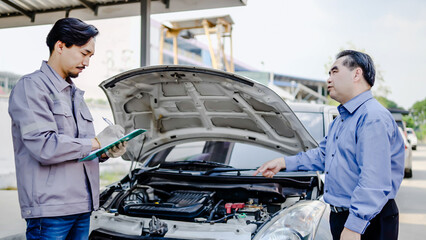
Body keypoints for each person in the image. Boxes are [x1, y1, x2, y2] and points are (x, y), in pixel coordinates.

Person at [254, 50, 405, 240]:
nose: (328, 79)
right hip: (342, 216)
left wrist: (355, 226)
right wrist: (283, 162)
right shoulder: (341, 120)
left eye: (334, 72)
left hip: (368, 220)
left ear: (356, 74)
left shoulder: (372, 117)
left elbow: (374, 181)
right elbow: (323, 156)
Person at [8, 18, 127, 240]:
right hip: (51, 212)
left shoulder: (75, 95)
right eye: (84, 53)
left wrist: (106, 151)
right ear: (60, 46)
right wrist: (97, 142)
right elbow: (44, 146)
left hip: (82, 207)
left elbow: (81, 148)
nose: (87, 62)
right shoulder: (31, 87)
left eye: (90, 56)